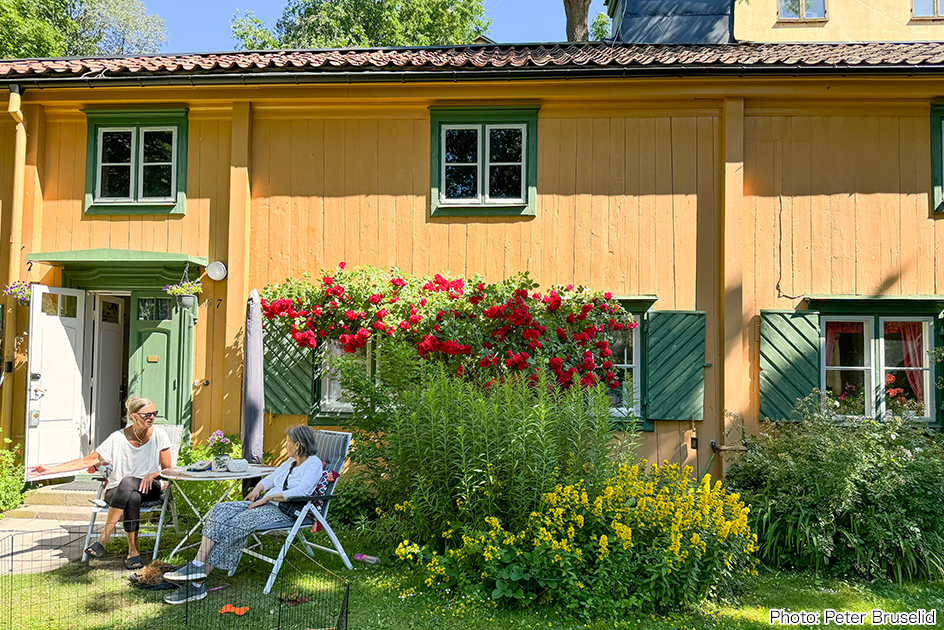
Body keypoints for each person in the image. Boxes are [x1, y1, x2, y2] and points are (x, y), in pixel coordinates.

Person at [162, 425, 323, 605]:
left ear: (298, 446)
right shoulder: (289, 463)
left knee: (237, 523)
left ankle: (198, 583)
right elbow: (271, 479)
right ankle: (198, 564)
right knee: (220, 510)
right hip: (267, 503)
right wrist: (258, 489)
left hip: (285, 511)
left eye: (288, 442)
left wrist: (267, 498)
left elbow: (303, 490)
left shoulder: (313, 463)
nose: (285, 446)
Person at [31, 397, 171, 570]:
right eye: (146, 415)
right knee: (131, 495)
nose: (152, 417)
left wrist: (154, 474)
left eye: (154, 413)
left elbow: (167, 470)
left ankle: (104, 537)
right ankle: (133, 552)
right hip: (118, 490)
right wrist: (51, 470)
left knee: (129, 483)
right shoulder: (117, 438)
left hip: (149, 488)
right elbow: (87, 461)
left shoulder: (160, 435)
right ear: (134, 417)